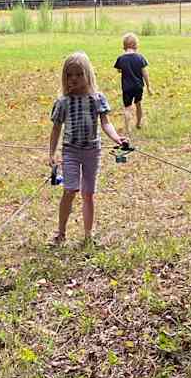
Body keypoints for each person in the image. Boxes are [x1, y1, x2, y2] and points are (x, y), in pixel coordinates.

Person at [48, 50, 129, 245]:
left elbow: (105, 123)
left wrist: (117, 138)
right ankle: (61, 232)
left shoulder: (97, 98)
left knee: (88, 193)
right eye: (69, 75)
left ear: (88, 75)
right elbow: (56, 128)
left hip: (92, 151)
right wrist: (52, 153)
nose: (73, 79)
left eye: (78, 74)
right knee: (70, 189)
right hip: (71, 151)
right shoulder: (63, 102)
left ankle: (88, 234)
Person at [112, 32, 152, 136]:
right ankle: (138, 123)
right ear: (136, 45)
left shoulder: (121, 58)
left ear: (124, 46)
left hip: (127, 87)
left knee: (127, 107)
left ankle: (127, 128)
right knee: (138, 104)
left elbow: (119, 70)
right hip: (138, 86)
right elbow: (145, 73)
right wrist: (148, 86)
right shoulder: (140, 57)